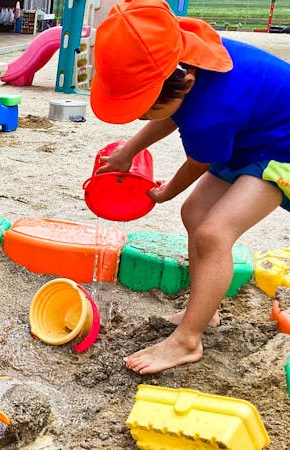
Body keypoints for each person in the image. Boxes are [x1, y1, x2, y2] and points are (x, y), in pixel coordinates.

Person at [89, 0, 290, 374]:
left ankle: (187, 339)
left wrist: (167, 191)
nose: (142, 116)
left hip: (282, 148)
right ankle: (204, 311)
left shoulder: (212, 110)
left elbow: (200, 158)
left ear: (184, 85)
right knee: (194, 214)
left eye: (144, 109)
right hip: (247, 133)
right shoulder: (183, 63)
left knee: (215, 233)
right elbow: (173, 111)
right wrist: (128, 151)